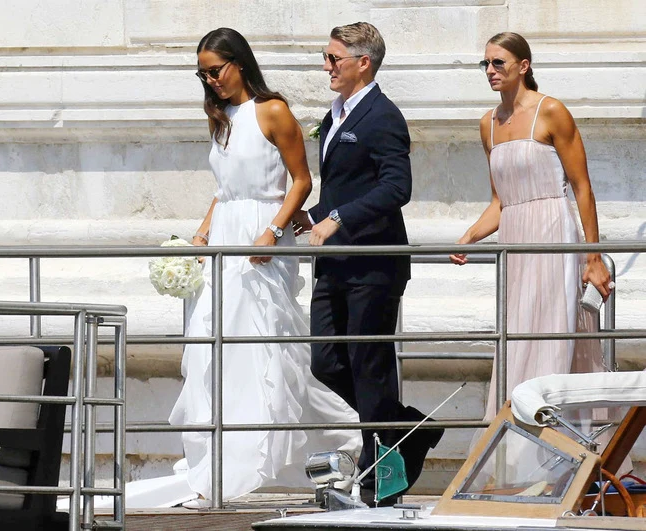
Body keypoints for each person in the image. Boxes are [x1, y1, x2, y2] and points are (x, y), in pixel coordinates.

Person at [168, 27, 362, 507]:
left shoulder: (272, 110)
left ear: (239, 62)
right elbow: (224, 191)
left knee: (262, 345)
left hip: (263, 238)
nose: (211, 81)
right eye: (203, 74)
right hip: (227, 236)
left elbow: (301, 181)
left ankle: (341, 441)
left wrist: (273, 231)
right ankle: (220, 460)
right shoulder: (221, 118)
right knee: (215, 345)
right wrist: (200, 234)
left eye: (215, 70)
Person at [292, 22, 443, 505]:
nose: (326, 66)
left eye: (333, 58)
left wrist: (337, 218)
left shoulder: (383, 116)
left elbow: (397, 187)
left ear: (364, 62)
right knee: (327, 362)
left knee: (370, 369)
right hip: (336, 263)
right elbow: (346, 187)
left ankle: (381, 484)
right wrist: (311, 216)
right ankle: (408, 429)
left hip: (374, 264)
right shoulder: (334, 114)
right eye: (326, 57)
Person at [449, 32, 611, 420]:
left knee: (551, 335)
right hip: (515, 241)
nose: (490, 70)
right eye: (485, 63)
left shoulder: (551, 111)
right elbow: (500, 202)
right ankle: (517, 436)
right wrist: (468, 237)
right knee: (516, 336)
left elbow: (582, 187)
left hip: (554, 235)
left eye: (498, 62)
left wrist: (592, 257)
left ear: (523, 66)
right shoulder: (487, 124)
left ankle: (554, 437)